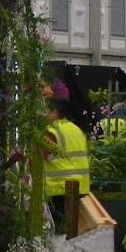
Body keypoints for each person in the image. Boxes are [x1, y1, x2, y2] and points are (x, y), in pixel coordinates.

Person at [39, 81, 90, 228]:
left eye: (45, 110)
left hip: (57, 189)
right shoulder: (75, 129)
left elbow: (38, 157)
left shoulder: (51, 131)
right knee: (70, 231)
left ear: (54, 112)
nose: (43, 113)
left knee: (56, 230)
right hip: (78, 187)